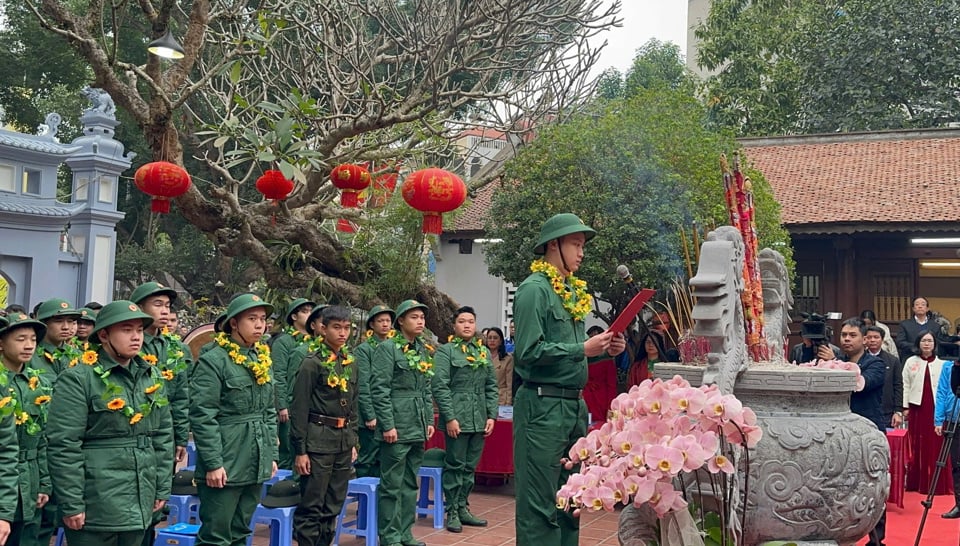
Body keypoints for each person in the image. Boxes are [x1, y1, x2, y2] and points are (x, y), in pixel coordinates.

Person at [512, 213, 626, 546]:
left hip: (572, 406)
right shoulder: (534, 290)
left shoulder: (571, 291)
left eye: (582, 245)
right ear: (553, 245)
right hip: (541, 406)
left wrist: (604, 349)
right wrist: (582, 347)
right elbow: (528, 353)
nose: (581, 252)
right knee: (540, 505)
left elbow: (573, 353)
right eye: (575, 244)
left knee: (570, 499)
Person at [46, 300, 174, 546]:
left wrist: (161, 487)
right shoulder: (79, 379)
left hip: (141, 494)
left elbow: (162, 436)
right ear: (103, 335)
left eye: (138, 330)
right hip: (97, 501)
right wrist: (72, 503)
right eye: (126, 330)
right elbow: (64, 444)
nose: (136, 337)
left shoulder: (151, 375)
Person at [190, 293, 279, 546]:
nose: (260, 325)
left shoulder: (262, 358)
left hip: (256, 457)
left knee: (241, 531)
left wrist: (271, 454)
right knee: (216, 536)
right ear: (233, 323)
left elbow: (268, 411)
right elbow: (203, 416)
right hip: (227, 458)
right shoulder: (213, 360)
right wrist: (213, 463)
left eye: (263, 319)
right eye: (252, 319)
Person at [289, 306, 358, 546]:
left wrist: (352, 441)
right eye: (336, 327)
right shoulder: (312, 363)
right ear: (323, 329)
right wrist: (301, 450)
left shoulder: (349, 361)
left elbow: (353, 404)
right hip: (317, 441)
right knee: (312, 504)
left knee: (334, 504)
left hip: (342, 440)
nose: (342, 333)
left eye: (346, 328)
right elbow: (299, 408)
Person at [371, 299, 435, 546]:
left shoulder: (422, 349)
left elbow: (426, 387)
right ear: (400, 321)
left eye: (422, 317)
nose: (420, 322)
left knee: (410, 482)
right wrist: (387, 424)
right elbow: (379, 389)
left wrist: (428, 419)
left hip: (417, 425)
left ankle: (405, 533)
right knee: (391, 484)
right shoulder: (388, 349)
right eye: (414, 317)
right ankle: (389, 536)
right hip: (397, 425)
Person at [433, 306, 497, 533]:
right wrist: (449, 417)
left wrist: (492, 415)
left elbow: (491, 386)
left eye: (471, 321)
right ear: (454, 325)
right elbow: (440, 386)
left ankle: (463, 508)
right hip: (457, 418)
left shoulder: (483, 352)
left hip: (478, 418)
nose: (467, 325)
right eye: (462, 321)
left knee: (470, 466)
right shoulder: (446, 352)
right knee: (455, 465)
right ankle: (452, 510)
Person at [0, 313, 52, 546]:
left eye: (32, 339)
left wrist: (44, 482)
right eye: (21, 339)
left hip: (29, 481)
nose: (29, 345)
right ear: (1, 343)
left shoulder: (38, 384)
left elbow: (42, 436)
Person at [839, 318, 887, 546]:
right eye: (844, 335)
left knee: (873, 487)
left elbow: (860, 384)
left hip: (869, 432)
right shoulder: (836, 360)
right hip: (840, 433)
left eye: (852, 335)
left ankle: (877, 539)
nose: (847, 339)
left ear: (864, 340)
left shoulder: (876, 364)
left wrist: (836, 369)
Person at [902, 330, 951, 494]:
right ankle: (917, 482)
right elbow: (905, 385)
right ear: (918, 343)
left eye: (930, 341)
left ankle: (938, 484)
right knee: (918, 444)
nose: (927, 344)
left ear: (935, 344)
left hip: (937, 408)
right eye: (923, 340)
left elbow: (946, 389)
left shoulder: (943, 363)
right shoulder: (910, 361)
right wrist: (905, 407)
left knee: (936, 444)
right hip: (917, 407)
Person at [271, 298, 316, 471]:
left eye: (311, 311)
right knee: (288, 449)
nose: (310, 314)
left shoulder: (316, 342)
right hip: (289, 404)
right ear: (294, 316)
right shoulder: (284, 342)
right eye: (305, 311)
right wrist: (282, 405)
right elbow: (279, 375)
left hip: (309, 405)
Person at [353, 304, 395, 478]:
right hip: (370, 415)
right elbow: (364, 384)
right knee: (368, 457)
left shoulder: (395, 347)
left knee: (384, 458)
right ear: (372, 324)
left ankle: (378, 501)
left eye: (387, 320)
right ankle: (364, 502)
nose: (385, 324)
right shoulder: (364, 349)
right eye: (380, 321)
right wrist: (370, 414)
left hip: (389, 412)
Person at [933, 344, 960, 518]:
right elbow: (942, 392)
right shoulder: (949, 366)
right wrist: (938, 419)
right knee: (956, 464)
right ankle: (959, 503)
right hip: (953, 418)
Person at [29, 299, 82, 378]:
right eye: (59, 321)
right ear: (43, 323)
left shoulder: (78, 355)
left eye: (70, 321)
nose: (66, 327)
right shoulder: (29, 355)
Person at [864, 325, 904, 428]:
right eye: (869, 337)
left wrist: (898, 411)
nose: (872, 340)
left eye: (876, 337)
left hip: (886, 412)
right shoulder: (860, 359)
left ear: (882, 340)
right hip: (864, 410)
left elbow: (898, 386)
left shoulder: (892, 360)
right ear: (864, 339)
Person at [584, 325, 617, 425]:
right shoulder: (583, 358)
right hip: (585, 398)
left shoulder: (607, 359)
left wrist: (610, 407)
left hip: (601, 399)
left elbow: (612, 385)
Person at [896, 297, 936, 363]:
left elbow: (938, 342)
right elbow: (900, 342)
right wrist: (917, 347)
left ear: (927, 308)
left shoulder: (935, 326)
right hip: (910, 358)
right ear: (913, 308)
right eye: (917, 304)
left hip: (931, 359)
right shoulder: (904, 324)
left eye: (923, 304)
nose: (920, 306)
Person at [485, 327, 513, 405]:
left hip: (501, 399)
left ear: (500, 341)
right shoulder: (481, 357)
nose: (492, 340)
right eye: (489, 338)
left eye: (495, 338)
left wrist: (508, 403)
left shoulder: (507, 359)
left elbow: (509, 384)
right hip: (484, 398)